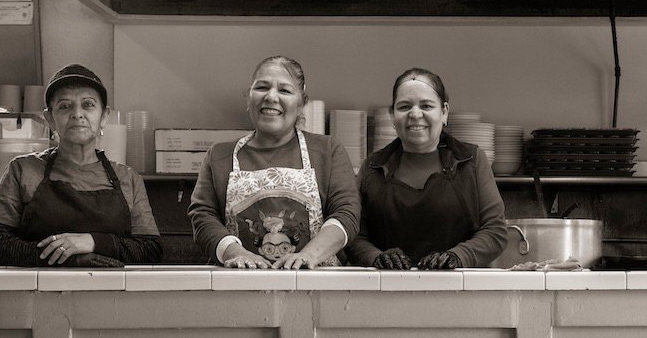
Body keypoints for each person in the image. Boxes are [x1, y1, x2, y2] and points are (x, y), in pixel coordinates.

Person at [0, 64, 162, 267]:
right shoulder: (23, 170)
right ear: (50, 118)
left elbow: (150, 250)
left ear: (104, 117)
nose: (77, 114)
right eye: (65, 106)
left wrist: (93, 242)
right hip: (37, 295)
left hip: (112, 295)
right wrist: (71, 257)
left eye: (88, 105)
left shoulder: (128, 178)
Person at [188, 55, 359, 269]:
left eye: (284, 91)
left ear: (301, 103)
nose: (271, 97)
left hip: (317, 288)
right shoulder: (219, 155)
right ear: (248, 98)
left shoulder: (328, 151)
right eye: (262, 87)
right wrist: (237, 254)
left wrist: (308, 256)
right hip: (239, 287)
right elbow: (203, 217)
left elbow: (347, 213)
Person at [346, 68, 507, 269]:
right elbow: (352, 234)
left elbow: (495, 231)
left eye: (426, 105)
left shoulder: (471, 161)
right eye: (404, 106)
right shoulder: (373, 167)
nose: (415, 114)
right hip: (386, 291)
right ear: (392, 115)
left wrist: (457, 257)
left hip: (462, 290)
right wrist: (375, 257)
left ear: (444, 112)